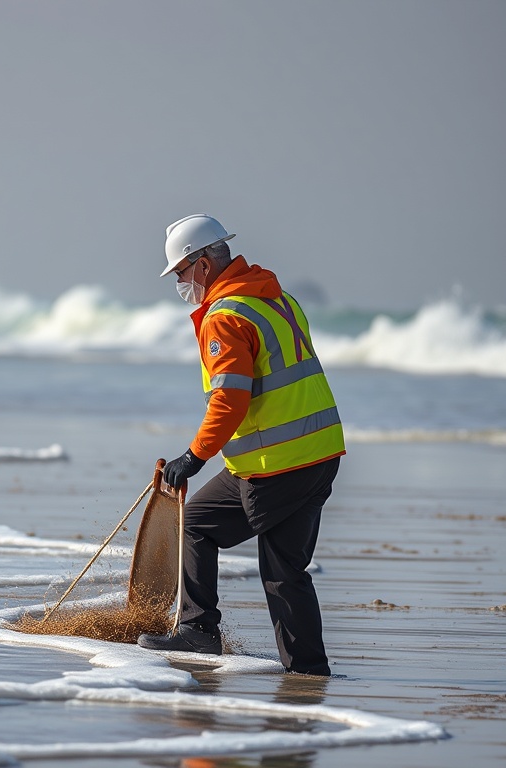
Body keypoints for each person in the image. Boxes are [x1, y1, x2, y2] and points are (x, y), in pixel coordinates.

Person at [137, 214, 345, 676]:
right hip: (318, 453)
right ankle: (308, 672)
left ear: (203, 264)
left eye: (180, 273)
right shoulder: (276, 298)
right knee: (275, 564)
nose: (180, 283)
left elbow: (230, 398)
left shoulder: (226, 315)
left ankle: (201, 631)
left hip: (277, 465)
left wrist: (193, 457)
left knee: (226, 541)